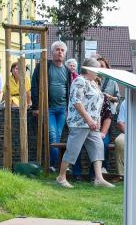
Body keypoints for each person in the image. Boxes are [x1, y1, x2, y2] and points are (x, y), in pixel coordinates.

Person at [55, 59, 114, 189]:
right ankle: (61, 177)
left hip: (92, 124)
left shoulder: (93, 83)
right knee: (73, 149)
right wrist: (89, 120)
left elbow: (97, 104)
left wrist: (97, 120)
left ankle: (99, 178)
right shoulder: (79, 81)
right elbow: (77, 102)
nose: (99, 72)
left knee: (98, 147)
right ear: (88, 69)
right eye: (97, 69)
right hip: (80, 123)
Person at [31, 40, 71, 170]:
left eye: (62, 50)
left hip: (62, 109)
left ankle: (54, 165)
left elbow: (69, 90)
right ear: (52, 52)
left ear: (65, 54)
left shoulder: (67, 71)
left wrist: (69, 109)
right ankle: (56, 165)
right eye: (57, 49)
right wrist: (36, 107)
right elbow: (35, 86)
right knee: (53, 135)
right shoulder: (43, 67)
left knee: (57, 136)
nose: (60, 52)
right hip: (48, 108)